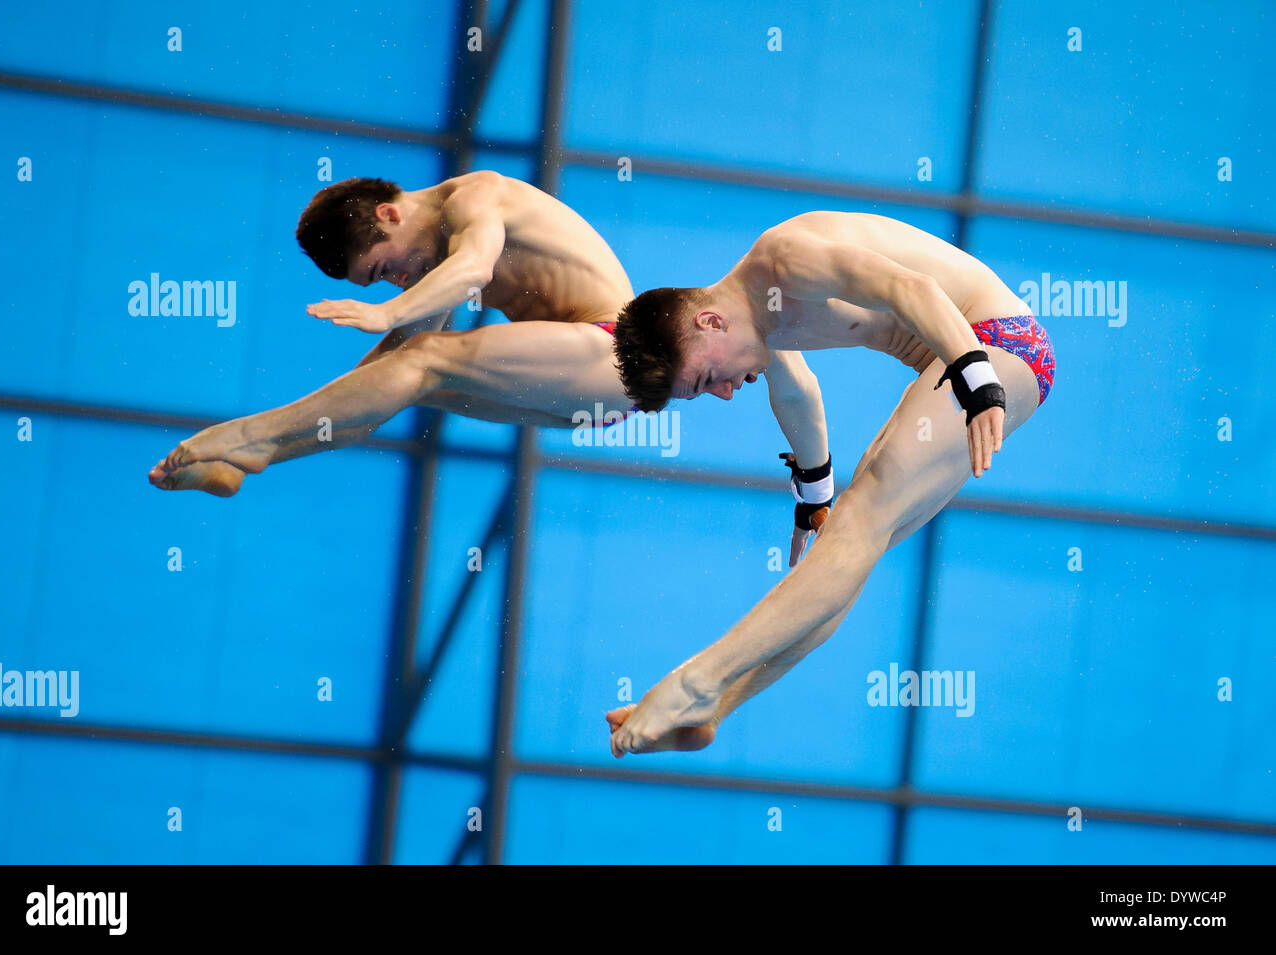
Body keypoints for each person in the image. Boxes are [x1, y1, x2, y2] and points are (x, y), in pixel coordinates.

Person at [148, 173, 833, 560]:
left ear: (392, 212)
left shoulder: (475, 200)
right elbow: (387, 372)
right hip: (589, 388)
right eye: (380, 286)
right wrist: (373, 349)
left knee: (418, 360)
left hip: (607, 351)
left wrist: (392, 317)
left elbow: (472, 269)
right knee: (404, 378)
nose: (397, 284)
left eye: (386, 268)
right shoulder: (430, 268)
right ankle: (252, 459)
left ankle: (247, 442)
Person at [605, 211, 1055, 756]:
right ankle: (714, 710)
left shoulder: (784, 259)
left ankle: (694, 683)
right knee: (851, 549)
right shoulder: (760, 323)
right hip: (970, 356)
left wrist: (977, 379)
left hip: (993, 344)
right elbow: (797, 394)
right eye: (704, 392)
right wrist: (812, 499)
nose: (723, 393)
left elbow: (909, 287)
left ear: (709, 322)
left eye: (705, 378)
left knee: (858, 527)